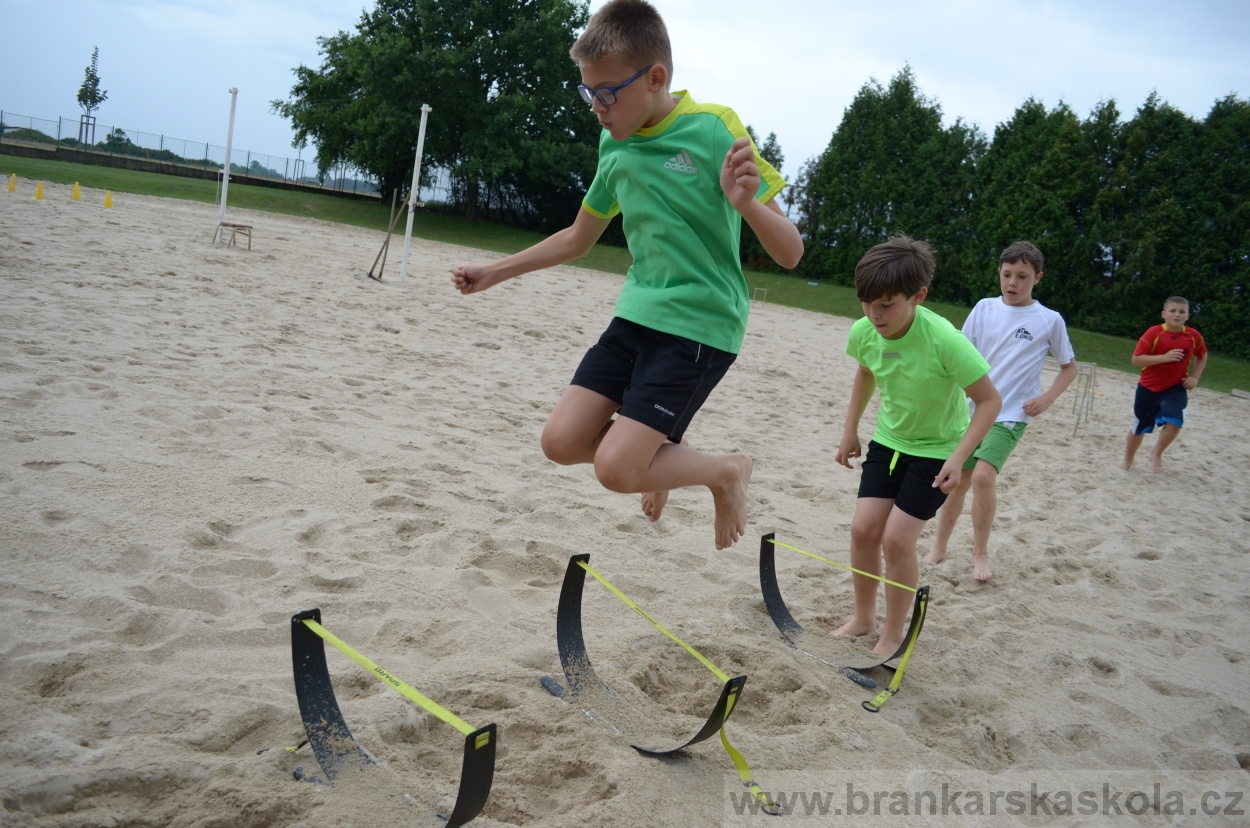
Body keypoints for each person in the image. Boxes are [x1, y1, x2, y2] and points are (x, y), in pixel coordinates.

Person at [450, 0, 803, 550]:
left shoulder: (714, 129)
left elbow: (791, 254)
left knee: (615, 469)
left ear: (656, 77)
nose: (596, 106)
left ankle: (723, 470)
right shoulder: (614, 145)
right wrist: (495, 271)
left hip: (700, 326)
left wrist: (749, 204)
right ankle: (661, 459)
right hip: (636, 316)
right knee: (561, 441)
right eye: (588, 92)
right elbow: (578, 237)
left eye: (607, 92)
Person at [834, 236, 1001, 657]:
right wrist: (850, 429)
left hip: (936, 453)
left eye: (886, 304)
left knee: (896, 541)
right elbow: (866, 372)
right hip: (888, 442)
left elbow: (989, 400)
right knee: (862, 530)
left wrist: (959, 459)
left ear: (918, 296)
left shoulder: (945, 340)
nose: (875, 314)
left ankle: (892, 633)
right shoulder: (865, 331)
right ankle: (863, 618)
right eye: (867, 303)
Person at [925, 242, 1077, 582]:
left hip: (1010, 414)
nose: (1013, 283)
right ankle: (940, 545)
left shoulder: (1049, 320)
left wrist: (1048, 398)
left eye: (1022, 276)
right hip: (968, 411)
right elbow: (960, 354)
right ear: (999, 272)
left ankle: (980, 554)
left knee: (982, 477)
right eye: (1007, 275)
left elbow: (1069, 367)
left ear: (1037, 278)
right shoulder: (983, 308)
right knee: (956, 482)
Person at [1120, 297, 1207, 474]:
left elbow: (1202, 355)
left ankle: (1157, 453)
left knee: (1175, 421)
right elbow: (1136, 359)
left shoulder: (1193, 336)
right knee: (1139, 426)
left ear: (1188, 316)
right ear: (1164, 314)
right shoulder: (1154, 333)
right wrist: (1164, 358)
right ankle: (1128, 459)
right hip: (1149, 387)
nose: (1177, 315)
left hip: (1176, 387)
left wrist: (1195, 377)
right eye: (1173, 311)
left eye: (1181, 312)